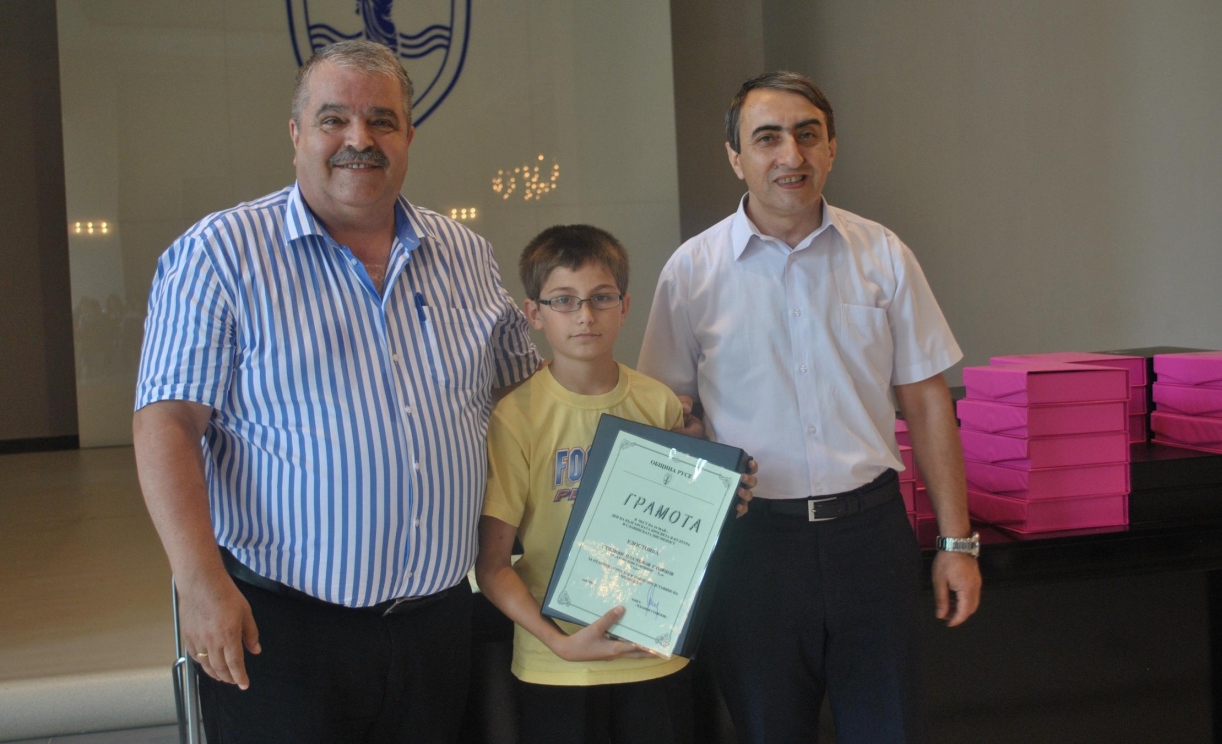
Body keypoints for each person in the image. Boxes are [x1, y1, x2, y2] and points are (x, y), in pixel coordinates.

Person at [133, 39, 540, 744]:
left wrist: (654, 434)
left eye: (382, 120)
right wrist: (199, 583)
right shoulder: (221, 253)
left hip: (437, 626)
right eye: (334, 120)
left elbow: (530, 396)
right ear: (296, 134)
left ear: (409, 135)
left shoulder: (465, 254)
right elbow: (166, 423)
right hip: (281, 632)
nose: (360, 139)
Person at [638, 71, 982, 744]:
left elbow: (926, 401)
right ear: (735, 157)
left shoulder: (883, 255)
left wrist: (956, 542)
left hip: (871, 537)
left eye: (807, 134)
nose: (790, 155)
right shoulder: (691, 272)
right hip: (751, 551)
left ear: (831, 148)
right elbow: (667, 416)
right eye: (767, 138)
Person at [474, 224, 756, 744]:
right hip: (555, 664)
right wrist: (558, 643)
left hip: (653, 655)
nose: (585, 315)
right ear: (534, 313)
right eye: (564, 300)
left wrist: (722, 501)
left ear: (624, 307)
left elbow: (682, 534)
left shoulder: (657, 403)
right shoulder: (515, 417)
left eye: (601, 298)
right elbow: (492, 567)